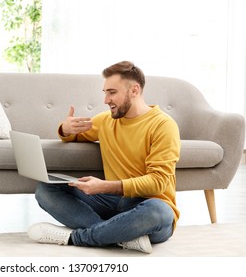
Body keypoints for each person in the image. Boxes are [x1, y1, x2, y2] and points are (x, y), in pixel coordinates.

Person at [27, 61, 181, 254]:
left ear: (134, 90)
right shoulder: (106, 120)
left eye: (112, 92)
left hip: (148, 205)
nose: (106, 100)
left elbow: (158, 182)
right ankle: (118, 234)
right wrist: (65, 128)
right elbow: (73, 134)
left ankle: (75, 237)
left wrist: (105, 186)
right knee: (46, 189)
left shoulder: (163, 126)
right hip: (111, 203)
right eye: (105, 93)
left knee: (158, 212)